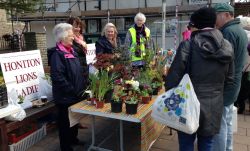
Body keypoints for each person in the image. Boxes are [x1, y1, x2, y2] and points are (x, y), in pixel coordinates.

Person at [165, 7, 234, 151]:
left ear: (197, 24)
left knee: (186, 144)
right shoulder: (226, 46)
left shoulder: (188, 45)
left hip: (188, 104)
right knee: (207, 144)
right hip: (214, 104)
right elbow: (230, 79)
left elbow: (172, 79)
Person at [211, 3, 248, 151]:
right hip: (234, 83)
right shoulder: (239, 30)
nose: (215, 20)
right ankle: (228, 148)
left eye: (216, 16)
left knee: (220, 125)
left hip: (226, 85)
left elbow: (224, 62)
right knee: (227, 121)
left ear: (226, 14)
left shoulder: (228, 32)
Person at [48, 23, 88, 151]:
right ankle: (65, 147)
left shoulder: (72, 51)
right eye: (71, 36)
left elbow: (78, 71)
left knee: (74, 120)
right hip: (65, 96)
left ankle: (73, 139)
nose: (73, 38)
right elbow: (58, 77)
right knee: (65, 123)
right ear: (63, 37)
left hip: (75, 94)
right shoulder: (57, 55)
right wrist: (72, 90)